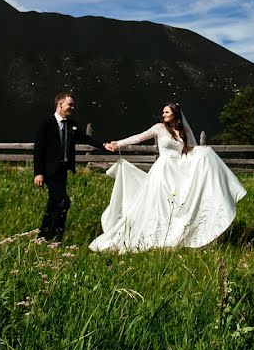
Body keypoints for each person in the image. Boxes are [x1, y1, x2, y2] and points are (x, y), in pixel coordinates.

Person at [90, 102, 246, 253]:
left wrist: (203, 155)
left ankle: (178, 232)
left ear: (175, 114)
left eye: (167, 112)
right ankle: (153, 234)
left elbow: (191, 150)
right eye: (163, 112)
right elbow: (139, 137)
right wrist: (118, 144)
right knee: (159, 203)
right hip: (163, 170)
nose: (163, 114)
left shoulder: (182, 131)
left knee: (181, 196)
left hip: (178, 170)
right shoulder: (159, 128)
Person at [34, 92, 107, 243]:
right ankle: (55, 237)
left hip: (62, 170)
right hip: (50, 170)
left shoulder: (71, 124)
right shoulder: (46, 123)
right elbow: (39, 149)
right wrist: (38, 173)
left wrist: (104, 145)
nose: (72, 107)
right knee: (63, 202)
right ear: (60, 105)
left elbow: (86, 138)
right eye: (70, 105)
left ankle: (43, 235)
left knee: (54, 202)